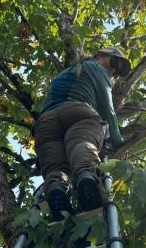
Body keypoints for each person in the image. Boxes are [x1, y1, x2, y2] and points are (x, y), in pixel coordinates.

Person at [33, 47, 130, 220]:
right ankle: (86, 177)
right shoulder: (97, 68)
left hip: (46, 123)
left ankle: (57, 188)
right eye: (113, 62)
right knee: (82, 143)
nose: (113, 70)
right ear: (100, 55)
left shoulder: (66, 73)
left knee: (56, 168)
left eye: (116, 72)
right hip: (78, 113)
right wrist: (118, 143)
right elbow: (108, 111)